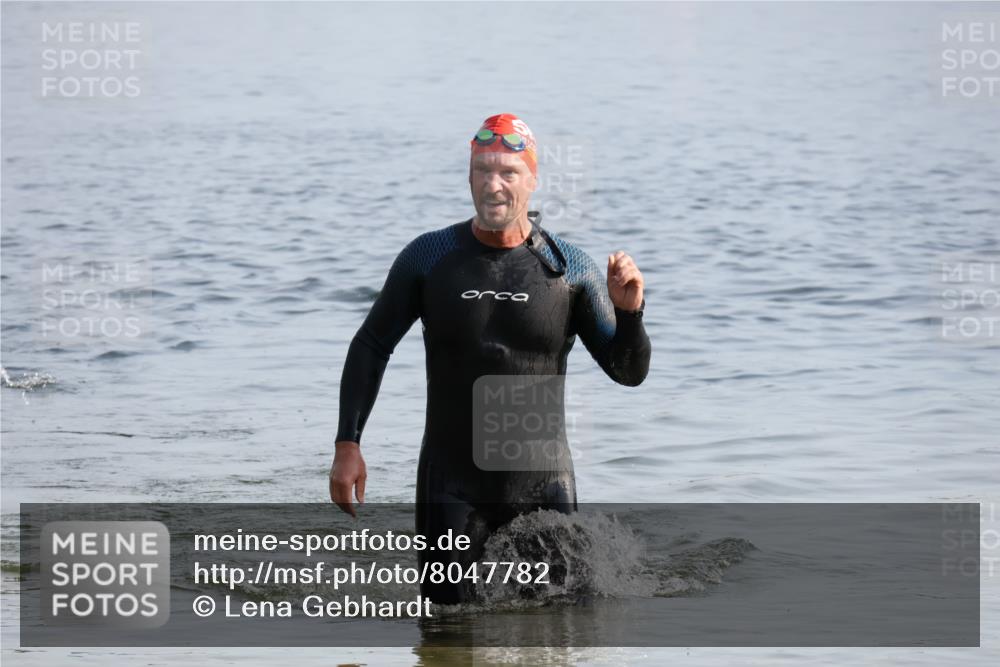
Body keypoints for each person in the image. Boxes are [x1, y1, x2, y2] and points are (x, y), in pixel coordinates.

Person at [329, 113, 651, 603]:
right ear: (468, 175)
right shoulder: (429, 258)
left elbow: (628, 372)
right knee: (446, 629)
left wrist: (629, 314)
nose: (493, 184)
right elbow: (372, 344)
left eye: (508, 172)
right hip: (450, 488)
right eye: (482, 170)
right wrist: (347, 444)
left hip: (545, 487)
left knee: (562, 626)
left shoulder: (570, 270)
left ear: (533, 179)